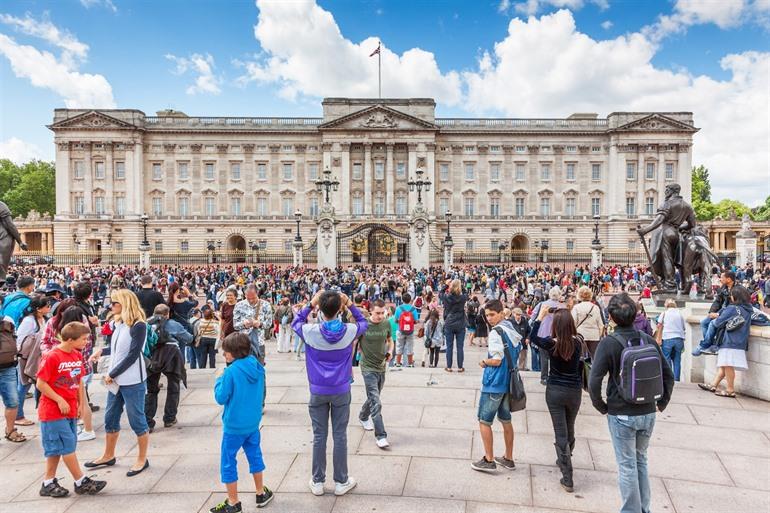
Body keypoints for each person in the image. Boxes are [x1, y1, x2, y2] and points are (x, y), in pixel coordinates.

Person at [588, 293, 675, 513]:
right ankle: (644, 508)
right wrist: (662, 403)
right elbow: (668, 375)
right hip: (647, 411)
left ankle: (631, 511)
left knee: (627, 466)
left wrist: (602, 406)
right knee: (641, 461)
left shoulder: (608, 343)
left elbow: (594, 380)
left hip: (622, 412)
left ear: (611, 317)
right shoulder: (647, 339)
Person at [292, 291, 367, 497]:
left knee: (319, 436)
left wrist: (311, 303)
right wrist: (349, 303)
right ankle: (341, 481)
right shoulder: (349, 330)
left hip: (317, 389)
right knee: (340, 435)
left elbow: (295, 321)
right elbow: (363, 321)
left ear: (321, 309)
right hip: (341, 388)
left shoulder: (311, 331)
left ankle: (317, 481)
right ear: (339, 309)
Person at [36, 321, 107, 497]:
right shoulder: (52, 356)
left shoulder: (75, 355)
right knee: (67, 446)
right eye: (83, 339)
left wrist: (81, 404)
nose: (86, 342)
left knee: (57, 449)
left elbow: (79, 382)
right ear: (69, 339)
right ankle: (80, 481)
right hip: (52, 412)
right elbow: (40, 383)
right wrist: (59, 399)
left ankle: (48, 482)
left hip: (69, 409)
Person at [86, 289, 151, 477]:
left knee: (136, 419)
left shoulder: (138, 325)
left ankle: (142, 458)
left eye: (114, 303)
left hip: (131, 379)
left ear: (124, 303)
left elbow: (133, 354)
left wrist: (112, 373)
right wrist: (102, 352)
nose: (110, 306)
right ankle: (108, 454)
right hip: (116, 379)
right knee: (110, 417)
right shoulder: (119, 323)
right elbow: (118, 349)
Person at [210, 332, 273, 512]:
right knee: (255, 456)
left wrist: (218, 379)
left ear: (235, 352)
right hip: (253, 423)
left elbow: (221, 397)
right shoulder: (257, 366)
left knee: (228, 461)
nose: (224, 355)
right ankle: (261, 492)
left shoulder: (230, 372)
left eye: (226, 352)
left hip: (234, 426)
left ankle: (233, 502)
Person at [530, 307, 584, 492]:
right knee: (570, 427)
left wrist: (540, 317)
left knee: (559, 431)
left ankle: (567, 475)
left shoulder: (551, 343)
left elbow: (532, 337)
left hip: (555, 390)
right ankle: (566, 456)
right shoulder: (578, 342)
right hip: (574, 390)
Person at [471, 299, 521, 473]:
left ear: (501, 313)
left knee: (484, 421)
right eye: (487, 315)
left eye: (492, 314)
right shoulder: (510, 327)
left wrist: (484, 361)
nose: (489, 318)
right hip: (509, 382)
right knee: (506, 420)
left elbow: (497, 360)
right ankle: (508, 458)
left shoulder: (495, 333)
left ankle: (489, 459)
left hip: (495, 383)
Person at [698, 285, 752, 397]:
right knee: (724, 366)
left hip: (729, 341)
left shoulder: (732, 308)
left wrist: (716, 316)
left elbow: (718, 323)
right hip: (740, 341)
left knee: (727, 365)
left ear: (735, 297)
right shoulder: (748, 310)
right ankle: (713, 384)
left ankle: (730, 390)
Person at [145, 304, 191, 431]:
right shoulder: (172, 324)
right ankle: (169, 418)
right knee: (173, 387)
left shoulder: (146, 323)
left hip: (152, 357)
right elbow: (188, 338)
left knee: (151, 390)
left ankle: (148, 421)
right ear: (168, 314)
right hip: (172, 356)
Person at [357, 299, 392, 448]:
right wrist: (348, 368)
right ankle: (381, 436)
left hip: (381, 366)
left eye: (382, 313)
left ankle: (363, 416)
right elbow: (354, 343)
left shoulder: (386, 323)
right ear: (370, 311)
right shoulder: (364, 324)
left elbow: (390, 340)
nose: (380, 316)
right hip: (367, 367)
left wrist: (390, 351)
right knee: (376, 401)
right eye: (377, 313)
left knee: (374, 396)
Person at [14, 294, 50, 428]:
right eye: (47, 306)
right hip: (27, 359)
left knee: (39, 385)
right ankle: (18, 415)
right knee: (23, 386)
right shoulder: (29, 321)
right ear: (39, 309)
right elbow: (20, 341)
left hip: (40, 358)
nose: (49, 307)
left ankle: (42, 412)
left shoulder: (44, 319)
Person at [694, 271, 735, 356]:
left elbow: (732, 307)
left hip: (728, 314)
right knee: (704, 322)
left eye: (722, 277)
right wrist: (712, 312)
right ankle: (709, 344)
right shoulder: (724, 288)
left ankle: (704, 345)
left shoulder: (736, 290)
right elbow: (717, 301)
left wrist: (718, 315)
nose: (720, 279)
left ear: (729, 279)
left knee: (712, 324)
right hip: (721, 312)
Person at [531, 286, 565, 385]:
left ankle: (544, 378)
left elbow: (533, 316)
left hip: (542, 334)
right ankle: (554, 376)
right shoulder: (562, 306)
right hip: (557, 336)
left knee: (544, 357)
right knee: (556, 357)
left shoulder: (542, 304)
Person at [233, 285, 272, 365]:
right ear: (245, 295)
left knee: (259, 368)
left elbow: (269, 323)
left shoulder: (265, 305)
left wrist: (259, 324)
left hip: (259, 342)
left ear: (257, 293)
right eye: (248, 298)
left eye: (253, 298)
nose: (251, 300)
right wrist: (244, 324)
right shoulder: (239, 305)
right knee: (243, 369)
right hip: (243, 343)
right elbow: (235, 325)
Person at [442, 279, 468, 372]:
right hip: (460, 322)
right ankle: (460, 367)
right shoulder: (463, 298)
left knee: (449, 346)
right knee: (460, 347)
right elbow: (466, 292)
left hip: (449, 321)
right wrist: (461, 285)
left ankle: (449, 367)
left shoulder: (447, 297)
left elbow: (440, 293)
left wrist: (446, 285)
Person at [571, 286, 604, 360]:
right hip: (594, 335)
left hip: (580, 335)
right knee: (595, 359)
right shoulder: (595, 307)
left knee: (580, 358)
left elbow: (573, 323)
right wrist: (599, 335)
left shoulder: (576, 307)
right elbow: (601, 325)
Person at [657, 299, 686, 381]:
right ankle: (676, 380)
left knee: (667, 358)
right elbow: (684, 327)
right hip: (679, 339)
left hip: (667, 338)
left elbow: (659, 325)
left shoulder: (664, 313)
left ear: (666, 306)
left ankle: (668, 379)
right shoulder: (679, 314)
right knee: (677, 360)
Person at [393, 292, 419, 368]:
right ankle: (410, 363)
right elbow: (416, 321)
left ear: (402, 299)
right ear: (410, 300)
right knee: (410, 346)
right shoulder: (413, 309)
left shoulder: (398, 308)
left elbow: (395, 320)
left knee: (399, 346)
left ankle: (398, 362)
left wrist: (401, 321)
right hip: (410, 330)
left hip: (400, 329)